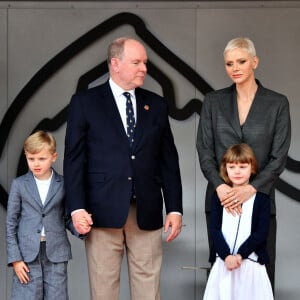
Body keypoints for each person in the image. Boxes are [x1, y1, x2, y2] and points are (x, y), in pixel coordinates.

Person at [63, 36, 183, 300]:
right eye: (137, 62)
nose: (144, 68)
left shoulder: (157, 104)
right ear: (115, 64)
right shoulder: (85, 103)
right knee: (103, 292)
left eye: (145, 63)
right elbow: (74, 160)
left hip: (147, 212)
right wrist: (77, 207)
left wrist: (174, 207)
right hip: (101, 213)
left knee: (148, 292)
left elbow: (168, 160)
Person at [196, 37, 291, 290]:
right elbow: (204, 151)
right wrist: (221, 187)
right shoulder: (213, 101)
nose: (235, 68)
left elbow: (278, 156)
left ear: (255, 62)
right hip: (220, 200)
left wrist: (251, 188)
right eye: (229, 63)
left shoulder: (277, 103)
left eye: (241, 61)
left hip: (260, 201)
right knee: (222, 273)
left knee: (260, 274)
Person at [6, 130, 72, 300]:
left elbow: (67, 217)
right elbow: (11, 223)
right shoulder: (19, 184)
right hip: (26, 255)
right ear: (26, 156)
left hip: (56, 252)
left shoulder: (64, 184)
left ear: (54, 157)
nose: (36, 163)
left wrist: (83, 229)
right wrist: (15, 259)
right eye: (31, 158)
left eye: (42, 159)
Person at [203, 143, 274, 300]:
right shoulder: (217, 197)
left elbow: (261, 233)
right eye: (232, 166)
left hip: (251, 265)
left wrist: (240, 255)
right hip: (224, 264)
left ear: (252, 168)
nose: (237, 171)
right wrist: (227, 256)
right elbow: (214, 229)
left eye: (243, 166)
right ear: (225, 168)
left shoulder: (262, 199)